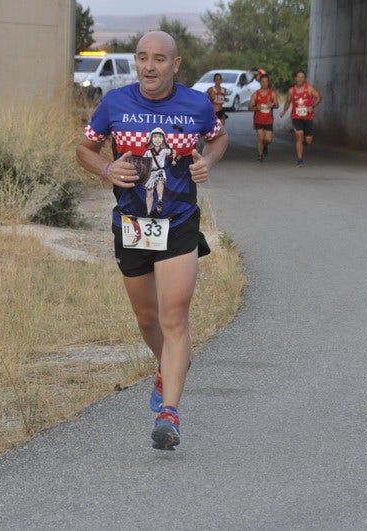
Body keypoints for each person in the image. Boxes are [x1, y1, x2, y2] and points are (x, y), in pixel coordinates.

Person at [75, 30, 228, 450]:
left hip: (178, 221)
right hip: (132, 223)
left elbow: (217, 137)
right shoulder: (115, 103)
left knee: (173, 316)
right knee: (147, 318)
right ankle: (167, 365)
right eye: (142, 57)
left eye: (159, 59)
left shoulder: (196, 104)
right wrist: (107, 170)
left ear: (175, 65)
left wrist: (207, 162)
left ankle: (170, 415)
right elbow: (84, 149)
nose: (149, 66)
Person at [279, 70, 322, 167]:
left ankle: (303, 143)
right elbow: (288, 102)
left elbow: (319, 97)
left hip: (308, 117)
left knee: (309, 140)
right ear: (295, 78)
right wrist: (284, 111)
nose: (300, 79)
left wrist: (313, 106)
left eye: (302, 77)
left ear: (305, 78)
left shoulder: (309, 88)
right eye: (298, 77)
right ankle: (300, 159)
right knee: (299, 135)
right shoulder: (291, 90)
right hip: (296, 117)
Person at [247, 72, 279, 162]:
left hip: (269, 120)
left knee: (268, 139)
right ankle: (260, 155)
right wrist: (256, 107)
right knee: (261, 138)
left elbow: (277, 105)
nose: (264, 83)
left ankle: (265, 145)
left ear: (268, 82)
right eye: (262, 82)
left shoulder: (272, 93)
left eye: (266, 82)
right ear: (260, 83)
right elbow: (249, 107)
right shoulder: (256, 94)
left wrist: (272, 105)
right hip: (258, 119)